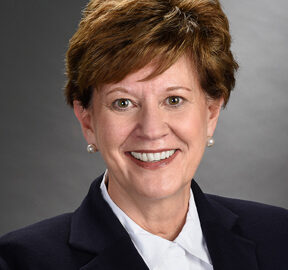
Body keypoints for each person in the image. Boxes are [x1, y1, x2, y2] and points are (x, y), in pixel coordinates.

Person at [0, 0, 287, 269]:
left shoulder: (279, 236)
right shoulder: (20, 260)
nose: (151, 130)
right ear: (87, 121)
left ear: (211, 113)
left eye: (174, 100)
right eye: (123, 103)